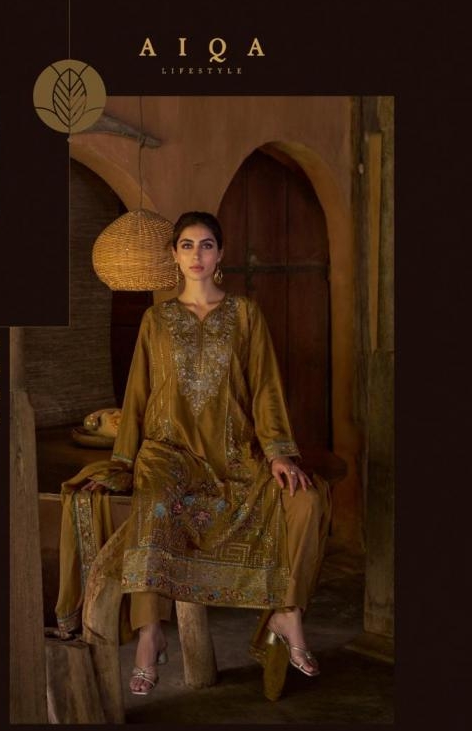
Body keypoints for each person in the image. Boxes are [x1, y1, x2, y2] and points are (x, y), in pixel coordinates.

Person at [56, 211, 331, 698]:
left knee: (306, 499)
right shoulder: (156, 320)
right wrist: (123, 462)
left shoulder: (245, 314)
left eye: (206, 245)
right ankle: (150, 634)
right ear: (174, 254)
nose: (197, 255)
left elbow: (266, 388)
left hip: (235, 454)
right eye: (187, 245)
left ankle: (287, 613)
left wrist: (277, 453)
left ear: (221, 253)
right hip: (169, 451)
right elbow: (137, 395)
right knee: (154, 505)